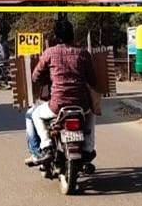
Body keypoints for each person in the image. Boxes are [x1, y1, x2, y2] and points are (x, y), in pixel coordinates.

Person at [29, 19, 101, 166]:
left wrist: (47, 78)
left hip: (57, 105)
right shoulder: (83, 54)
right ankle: (88, 148)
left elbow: (35, 77)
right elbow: (93, 81)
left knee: (34, 114)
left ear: (56, 36)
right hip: (81, 104)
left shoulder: (49, 53)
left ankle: (46, 145)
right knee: (92, 112)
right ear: (72, 35)